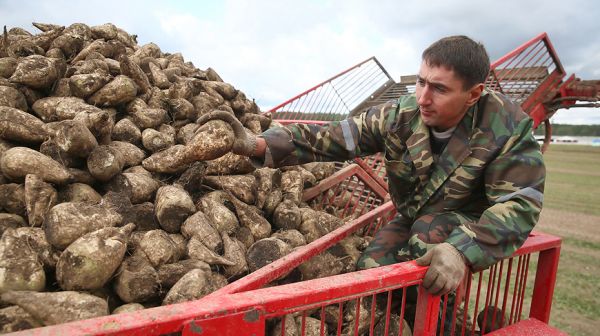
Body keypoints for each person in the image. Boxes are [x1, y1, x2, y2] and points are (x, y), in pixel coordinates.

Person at [198, 35, 545, 298]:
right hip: (413, 213)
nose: (423, 97)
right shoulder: (401, 115)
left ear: (473, 94)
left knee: (427, 243)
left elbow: (519, 204)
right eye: (421, 81)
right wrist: (258, 144)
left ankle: (441, 323)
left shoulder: (506, 127)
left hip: (466, 223)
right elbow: (336, 137)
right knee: (370, 270)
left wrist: (463, 249)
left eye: (438, 89)